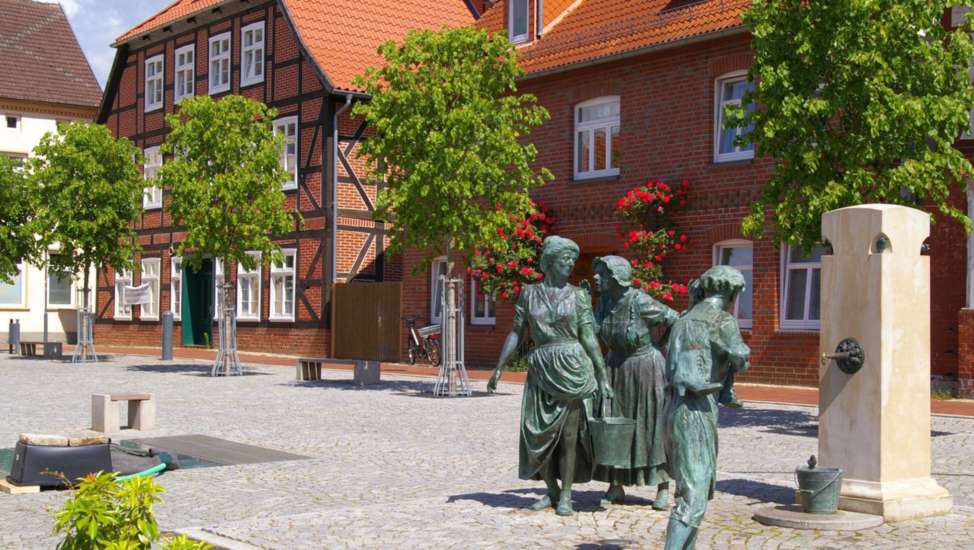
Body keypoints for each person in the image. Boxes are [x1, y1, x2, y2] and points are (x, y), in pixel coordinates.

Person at [487, 236, 613, 516]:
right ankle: (552, 490)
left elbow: (589, 337)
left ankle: (566, 494)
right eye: (564, 258)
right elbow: (517, 331)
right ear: (549, 262)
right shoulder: (529, 293)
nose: (570, 263)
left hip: (572, 367)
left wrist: (602, 376)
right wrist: (499, 366)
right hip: (541, 368)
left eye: (572, 258)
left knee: (569, 437)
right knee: (535, 433)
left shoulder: (579, 295)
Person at [663, 265, 750, 550]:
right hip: (697, 409)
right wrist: (736, 355)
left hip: (673, 409)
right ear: (732, 293)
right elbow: (741, 358)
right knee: (694, 496)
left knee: (688, 489)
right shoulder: (722, 321)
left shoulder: (684, 318)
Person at [591, 255, 677, 509]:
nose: (596, 278)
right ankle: (615, 484)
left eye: (602, 274)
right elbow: (594, 331)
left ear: (617, 277)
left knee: (651, 426)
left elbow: (674, 318)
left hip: (645, 369)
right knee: (614, 424)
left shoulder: (640, 300)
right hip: (615, 369)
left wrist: (662, 347)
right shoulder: (605, 301)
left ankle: (662, 485)